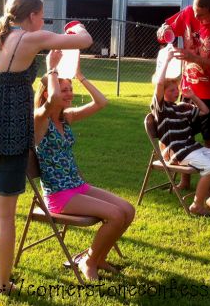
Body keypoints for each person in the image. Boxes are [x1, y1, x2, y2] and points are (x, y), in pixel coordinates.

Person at [0, 0, 93, 292]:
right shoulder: (30, 38)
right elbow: (84, 42)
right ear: (32, 16)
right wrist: (78, 28)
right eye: (42, 15)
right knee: (5, 215)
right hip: (10, 137)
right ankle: (4, 282)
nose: (44, 20)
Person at [34, 50, 135, 281]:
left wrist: (79, 76)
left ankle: (98, 258)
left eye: (70, 89)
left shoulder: (65, 118)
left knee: (128, 210)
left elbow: (102, 102)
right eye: (63, 89)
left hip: (78, 186)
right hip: (58, 195)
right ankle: (88, 260)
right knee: (116, 215)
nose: (68, 94)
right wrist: (52, 67)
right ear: (49, 91)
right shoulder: (40, 120)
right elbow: (51, 101)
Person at [157, 0, 210, 191]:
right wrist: (163, 31)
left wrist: (195, 58)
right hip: (189, 89)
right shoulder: (189, 12)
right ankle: (184, 181)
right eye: (195, 10)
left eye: (201, 13)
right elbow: (164, 31)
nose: (196, 15)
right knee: (184, 135)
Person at [150, 47, 210, 216]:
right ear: (162, 94)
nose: (176, 92)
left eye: (176, 89)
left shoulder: (181, 108)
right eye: (171, 90)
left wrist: (193, 96)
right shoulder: (161, 109)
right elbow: (159, 83)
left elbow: (204, 111)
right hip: (179, 152)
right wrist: (167, 60)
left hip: (192, 147)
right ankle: (197, 205)